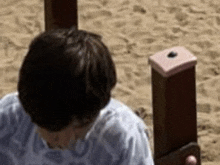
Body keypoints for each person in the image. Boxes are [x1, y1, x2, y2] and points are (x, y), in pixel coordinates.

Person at [0, 27, 154, 164]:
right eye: (51, 129)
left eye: (81, 126)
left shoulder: (122, 137)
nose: (66, 140)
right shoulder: (8, 120)